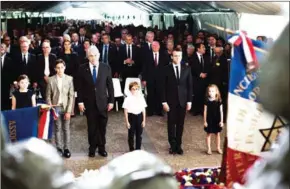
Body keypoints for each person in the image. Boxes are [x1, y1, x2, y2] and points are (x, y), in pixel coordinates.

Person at [76, 45, 114, 158]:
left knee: (102, 126)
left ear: (99, 55)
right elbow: (80, 87)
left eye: (95, 55)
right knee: (92, 126)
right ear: (88, 57)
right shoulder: (82, 68)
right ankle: (92, 147)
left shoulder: (105, 67)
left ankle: (102, 147)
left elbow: (110, 86)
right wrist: (80, 101)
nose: (93, 58)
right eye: (91, 56)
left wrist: (111, 101)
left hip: (103, 102)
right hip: (89, 102)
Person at [161, 48, 193, 155]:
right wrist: (164, 102)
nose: (177, 58)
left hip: (183, 101)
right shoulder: (166, 69)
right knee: (171, 124)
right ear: (171, 56)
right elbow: (163, 87)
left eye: (179, 56)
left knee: (180, 124)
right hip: (170, 101)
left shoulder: (187, 68)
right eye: (175, 56)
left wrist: (189, 101)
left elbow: (189, 86)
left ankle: (179, 145)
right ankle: (172, 145)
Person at [46, 59, 74, 158]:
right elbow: (48, 95)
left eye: (62, 67)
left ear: (64, 67)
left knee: (66, 128)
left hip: (66, 106)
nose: (60, 69)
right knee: (57, 128)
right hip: (55, 107)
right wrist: (51, 108)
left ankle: (66, 148)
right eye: (58, 68)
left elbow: (71, 96)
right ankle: (59, 148)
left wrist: (69, 111)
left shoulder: (69, 79)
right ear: (55, 69)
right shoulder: (51, 80)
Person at [122, 82, 147, 152]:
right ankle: (131, 148)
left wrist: (144, 120)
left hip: (139, 117)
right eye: (133, 89)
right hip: (131, 117)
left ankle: (138, 149)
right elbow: (125, 111)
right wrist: (127, 122)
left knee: (139, 134)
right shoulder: (127, 99)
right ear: (130, 90)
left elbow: (143, 110)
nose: (135, 91)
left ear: (138, 90)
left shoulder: (141, 98)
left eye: (136, 89)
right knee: (131, 134)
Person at [203, 84, 223, 155]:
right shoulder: (207, 101)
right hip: (209, 119)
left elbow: (221, 111)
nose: (211, 93)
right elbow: (205, 111)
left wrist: (221, 121)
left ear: (216, 92)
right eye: (210, 91)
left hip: (217, 119)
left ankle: (218, 147)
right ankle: (209, 148)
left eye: (213, 91)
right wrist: (205, 121)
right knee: (209, 134)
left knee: (218, 134)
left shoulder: (219, 100)